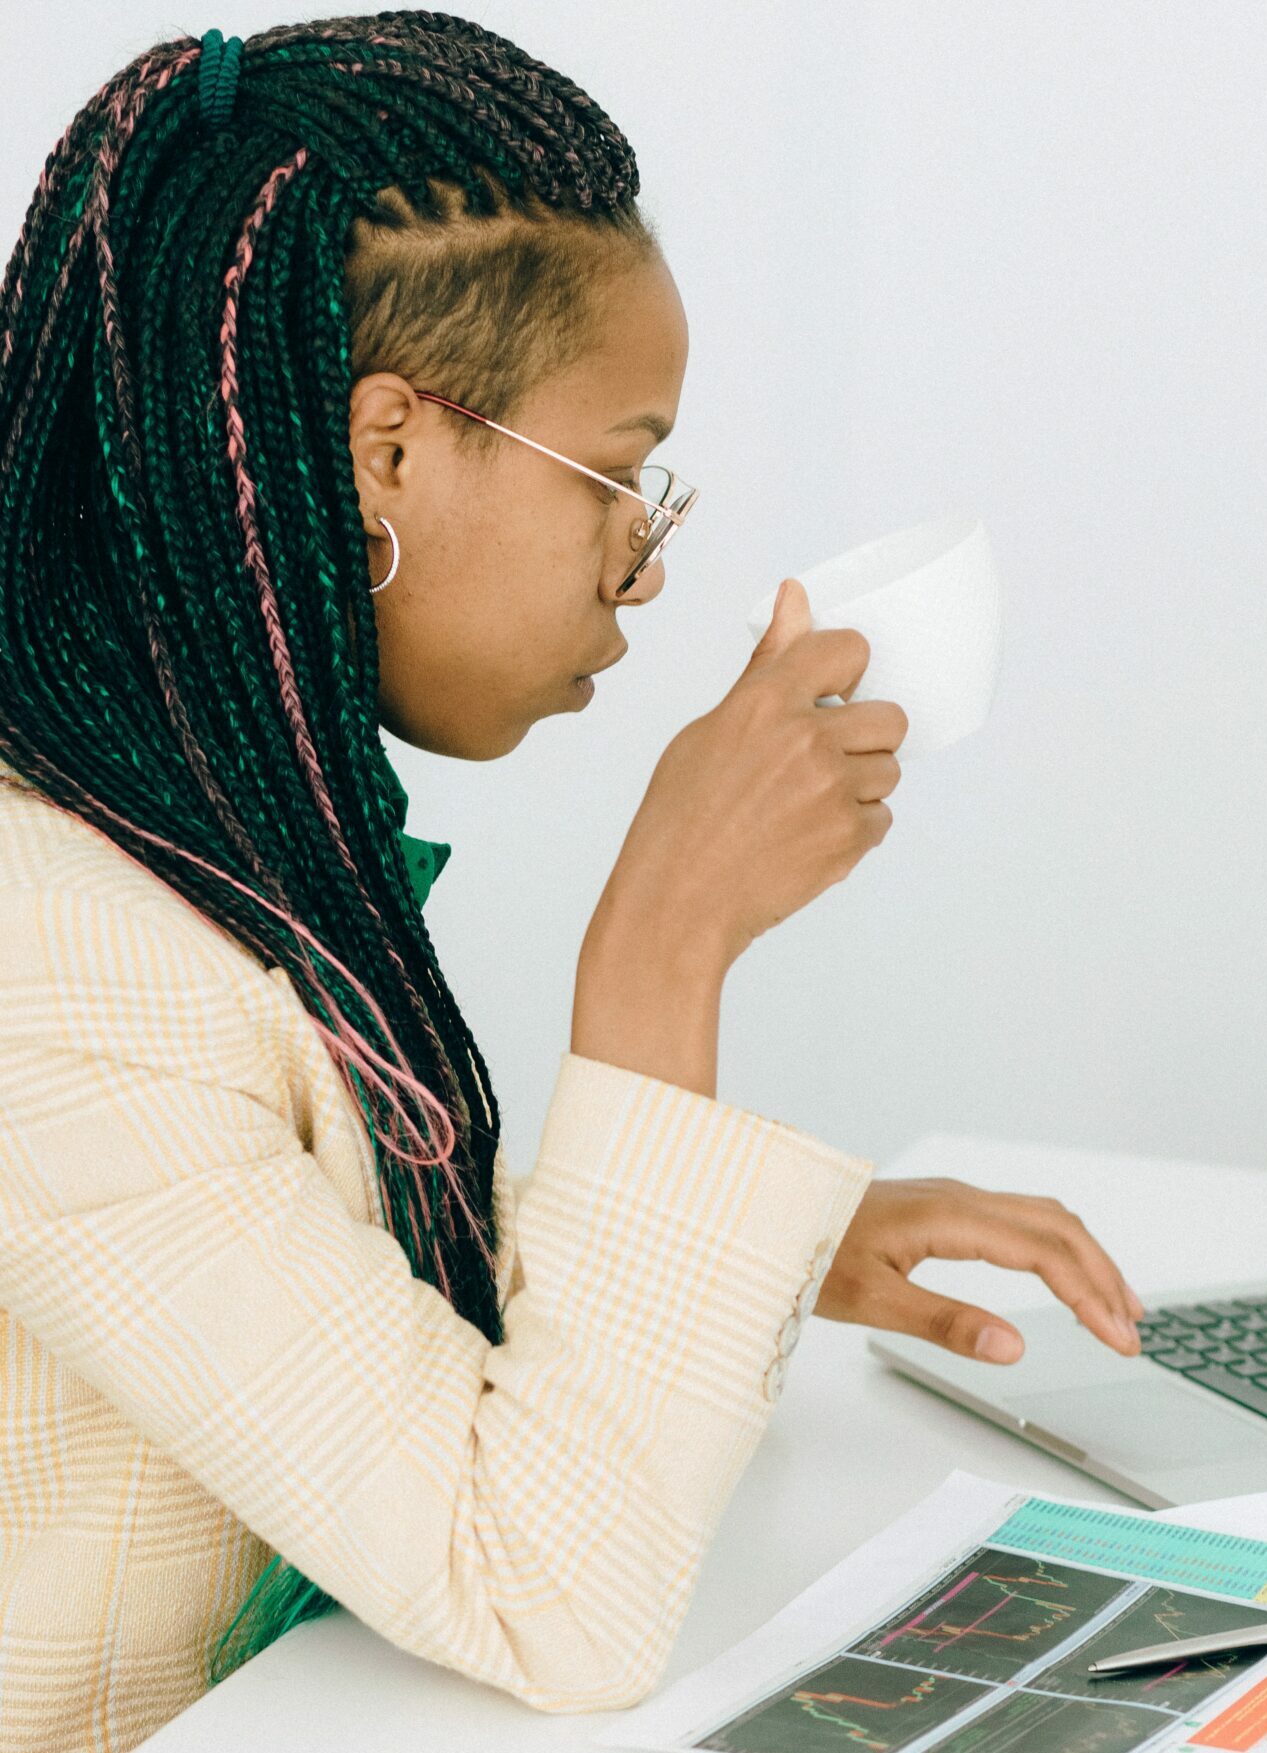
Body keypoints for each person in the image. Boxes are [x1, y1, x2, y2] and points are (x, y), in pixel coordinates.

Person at [0, 14, 1143, 1749]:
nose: (644, 562)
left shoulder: (158, 832)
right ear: (386, 451)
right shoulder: (56, 956)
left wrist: (745, 1254)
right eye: (614, 472)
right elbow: (549, 1598)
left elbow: (281, 1271)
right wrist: (665, 939)